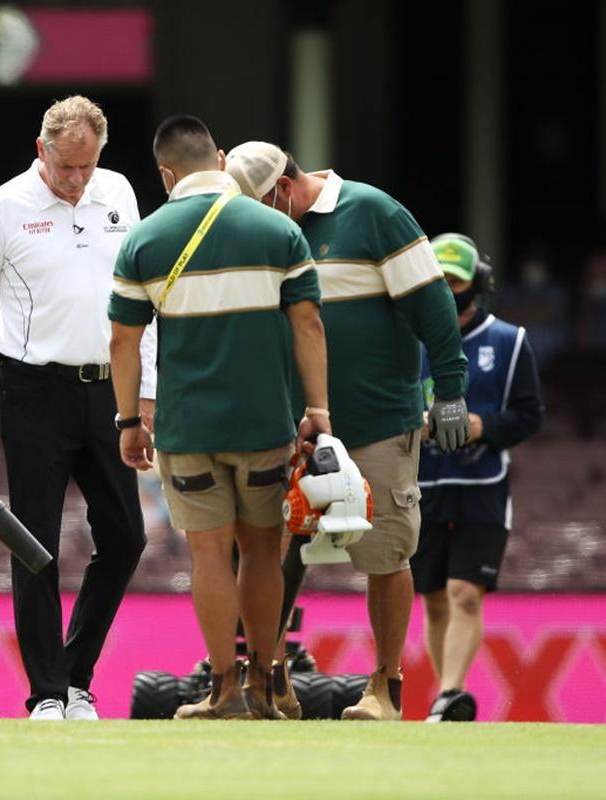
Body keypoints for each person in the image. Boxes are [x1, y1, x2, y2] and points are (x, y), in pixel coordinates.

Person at [226, 141, 469, 721]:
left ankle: (385, 688)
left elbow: (433, 302)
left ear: (283, 188)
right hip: (290, 425)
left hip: (377, 420)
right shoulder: (261, 232)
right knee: (271, 549)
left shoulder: (375, 213)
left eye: (259, 209)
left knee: (385, 550)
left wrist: (453, 388)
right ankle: (270, 678)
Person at [110, 115, 330, 720]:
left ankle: (224, 690)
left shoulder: (144, 240)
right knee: (263, 552)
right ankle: (269, 682)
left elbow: (122, 342)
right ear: (220, 156)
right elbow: (308, 323)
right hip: (264, 426)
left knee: (209, 556)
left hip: (189, 429)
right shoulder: (277, 230)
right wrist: (319, 411)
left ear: (165, 173)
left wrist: (130, 420)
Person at [0, 95, 154, 721]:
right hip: (33, 389)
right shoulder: (3, 206)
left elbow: (145, 298)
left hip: (109, 388)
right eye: (67, 167)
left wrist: (148, 393)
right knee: (33, 540)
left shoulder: (118, 192)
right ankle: (46, 693)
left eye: (88, 166)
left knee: (126, 536)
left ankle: (76, 677)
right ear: (42, 150)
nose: (77, 179)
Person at [413, 233, 543, 722]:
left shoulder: (510, 342)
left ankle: (449, 694)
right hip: (422, 486)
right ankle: (445, 699)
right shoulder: (410, 341)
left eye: (455, 282)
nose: (447, 291)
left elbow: (531, 415)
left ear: (477, 284)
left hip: (483, 486)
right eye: (438, 281)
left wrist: (481, 426)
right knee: (432, 599)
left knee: (464, 592)